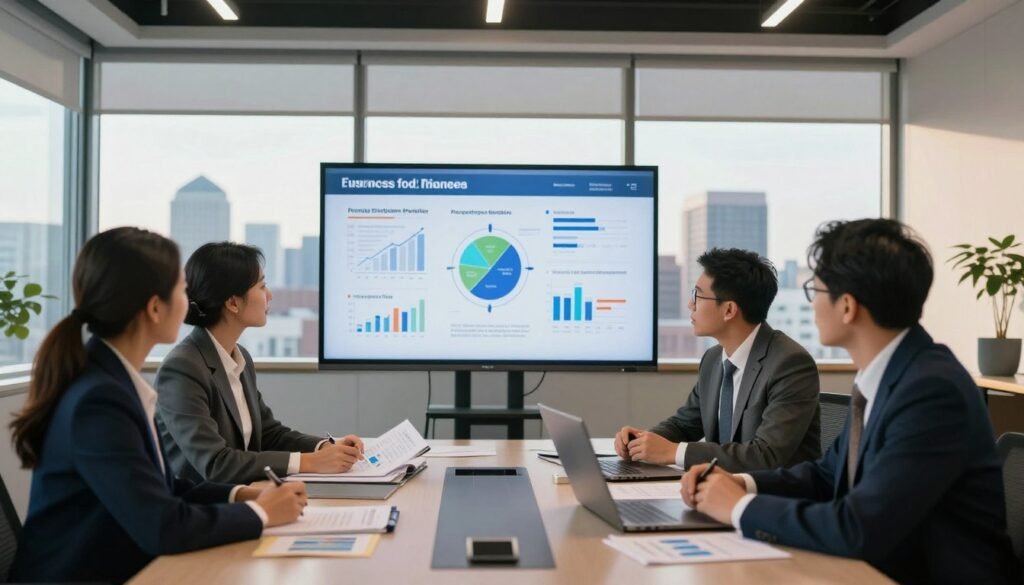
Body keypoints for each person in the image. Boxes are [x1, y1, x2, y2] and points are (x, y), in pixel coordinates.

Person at [683, 219, 1020, 584]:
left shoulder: (932, 391)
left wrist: (738, 507)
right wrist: (740, 483)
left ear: (847, 307)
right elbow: (828, 475)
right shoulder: (888, 375)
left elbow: (858, 528)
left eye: (816, 289)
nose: (812, 305)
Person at [8, 227, 307, 584]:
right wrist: (260, 513)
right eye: (181, 289)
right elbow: (163, 526)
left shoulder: (112, 381)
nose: (189, 300)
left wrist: (244, 494)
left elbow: (168, 488)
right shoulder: (98, 401)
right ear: (154, 307)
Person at [156, 242, 363, 484]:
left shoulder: (238, 356)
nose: (270, 295)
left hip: (246, 498)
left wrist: (325, 448)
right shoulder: (183, 368)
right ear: (233, 303)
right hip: (203, 509)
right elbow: (215, 464)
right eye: (262, 286)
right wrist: (309, 462)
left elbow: (268, 433)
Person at [615, 248, 821, 471]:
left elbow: (766, 455)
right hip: (723, 490)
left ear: (729, 310)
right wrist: (641, 442)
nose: (690, 305)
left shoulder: (789, 363)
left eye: (697, 295)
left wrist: (673, 452)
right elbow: (684, 425)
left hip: (777, 497)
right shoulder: (713, 359)